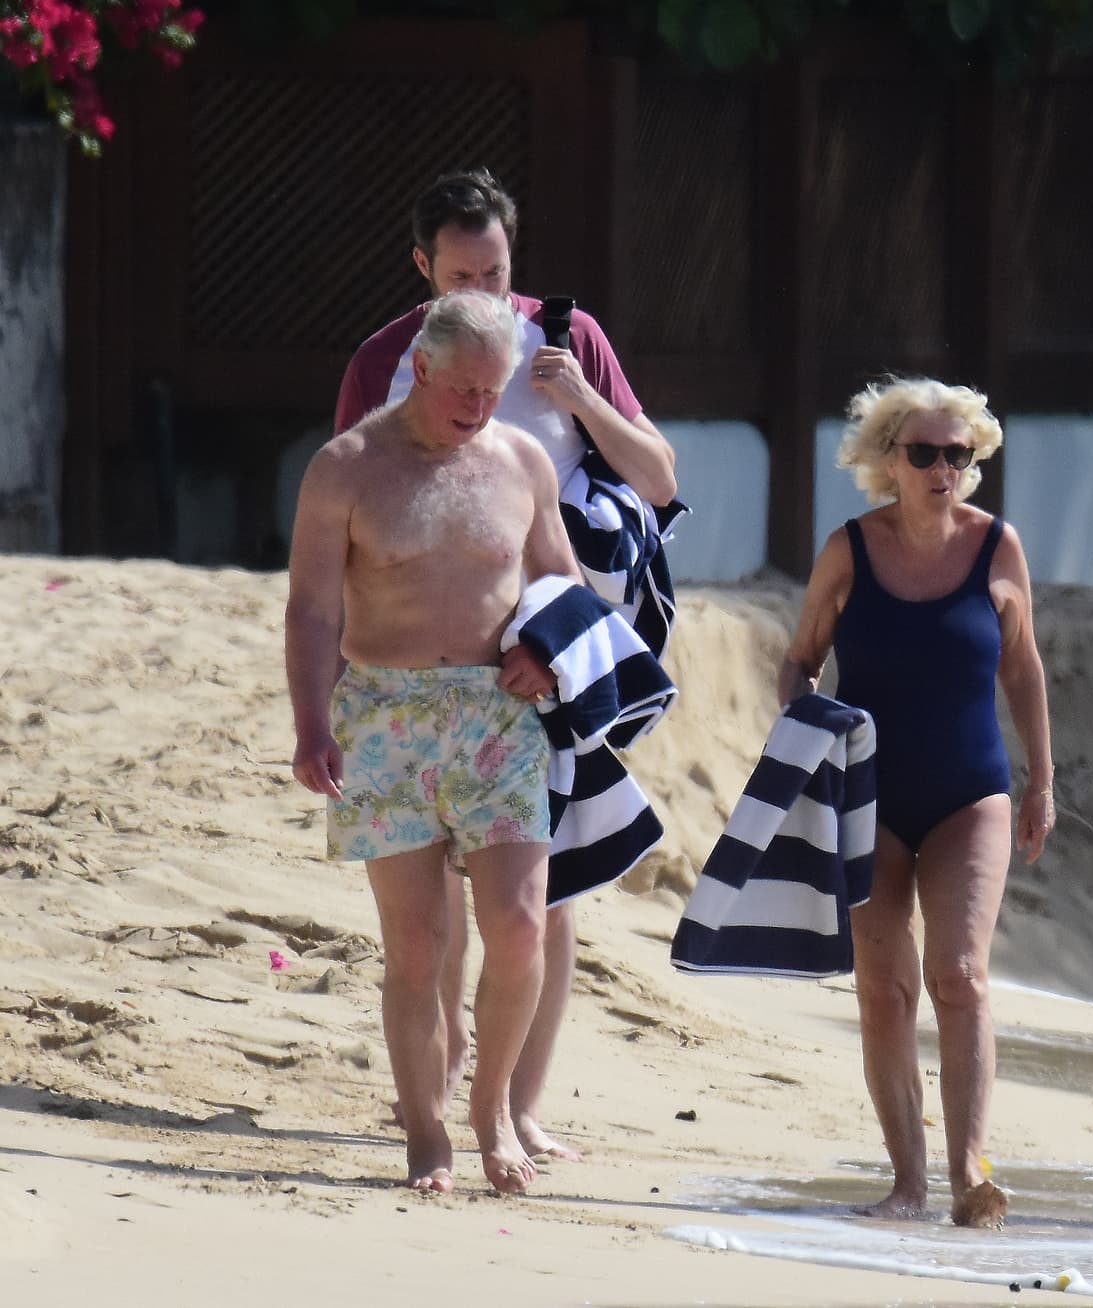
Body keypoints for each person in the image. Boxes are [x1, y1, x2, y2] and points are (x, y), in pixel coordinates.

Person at [334, 167, 678, 1162]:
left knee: (541, 894)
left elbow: (659, 480)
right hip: (416, 666)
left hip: (544, 653)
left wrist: (582, 398)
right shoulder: (384, 360)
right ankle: (440, 1083)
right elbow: (346, 506)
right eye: (461, 276)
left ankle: (520, 1106)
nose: (485, 292)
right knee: (435, 895)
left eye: (497, 272)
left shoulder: (568, 339)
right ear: (421, 266)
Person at [286, 289, 581, 1195]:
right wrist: (310, 725)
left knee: (520, 927)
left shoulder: (521, 460)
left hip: (499, 715)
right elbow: (312, 609)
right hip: (385, 713)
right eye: (464, 389)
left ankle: (492, 1112)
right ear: (421, 366)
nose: (479, 408)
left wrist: (543, 649)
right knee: (416, 945)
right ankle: (427, 1136)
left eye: (493, 392)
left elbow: (563, 582)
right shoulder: (346, 467)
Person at [778, 376, 1055, 1229]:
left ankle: (970, 1172)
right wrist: (798, 743)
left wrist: (1042, 782)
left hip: (970, 791)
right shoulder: (849, 550)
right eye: (925, 453)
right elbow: (800, 662)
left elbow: (1022, 668)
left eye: (957, 455)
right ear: (889, 459)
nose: (942, 469)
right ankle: (907, 1184)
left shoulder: (997, 547)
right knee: (884, 990)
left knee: (959, 975)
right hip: (868, 795)